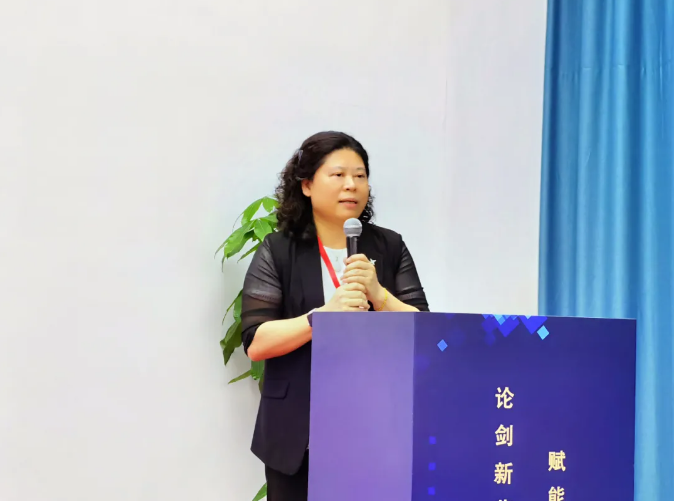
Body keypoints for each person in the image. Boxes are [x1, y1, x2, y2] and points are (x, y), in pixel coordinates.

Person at [240, 131, 429, 501]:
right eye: (338, 175)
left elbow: (424, 331)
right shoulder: (279, 249)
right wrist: (322, 317)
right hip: (299, 432)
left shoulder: (389, 246)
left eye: (360, 176)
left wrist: (380, 294)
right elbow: (256, 342)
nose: (351, 185)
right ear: (307, 185)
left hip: (378, 426)